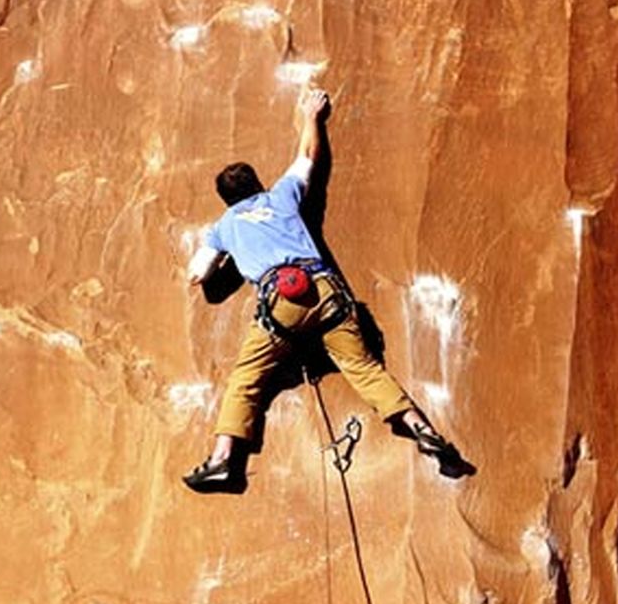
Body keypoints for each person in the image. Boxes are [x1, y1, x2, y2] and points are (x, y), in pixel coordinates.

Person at [182, 88, 467, 493]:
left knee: (246, 379)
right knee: (366, 370)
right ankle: (423, 429)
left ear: (226, 199)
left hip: (279, 305)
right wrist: (312, 117)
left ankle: (222, 461)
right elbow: (308, 159)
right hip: (326, 292)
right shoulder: (280, 195)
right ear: (257, 183)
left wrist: (230, 255)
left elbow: (199, 275)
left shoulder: (224, 225)